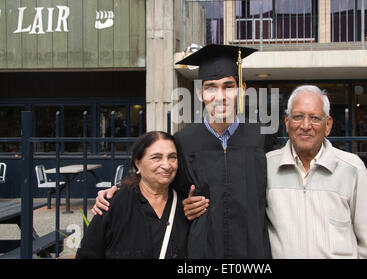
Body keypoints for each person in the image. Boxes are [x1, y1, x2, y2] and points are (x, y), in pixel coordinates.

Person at [92, 44, 274, 259]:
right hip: (202, 253)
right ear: (199, 93)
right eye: (211, 87)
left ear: (242, 89)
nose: (220, 96)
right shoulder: (183, 142)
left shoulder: (262, 136)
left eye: (229, 86)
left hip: (253, 252)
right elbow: (159, 180)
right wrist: (117, 190)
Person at [265, 85, 367, 258]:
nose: (306, 125)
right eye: (298, 117)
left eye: (314, 118)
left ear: (328, 125)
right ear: (287, 122)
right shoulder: (267, 167)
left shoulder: (352, 168)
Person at [76, 131, 189, 259]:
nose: (166, 165)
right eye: (156, 157)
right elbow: (88, 253)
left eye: (172, 157)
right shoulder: (113, 204)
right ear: (137, 163)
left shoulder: (185, 205)